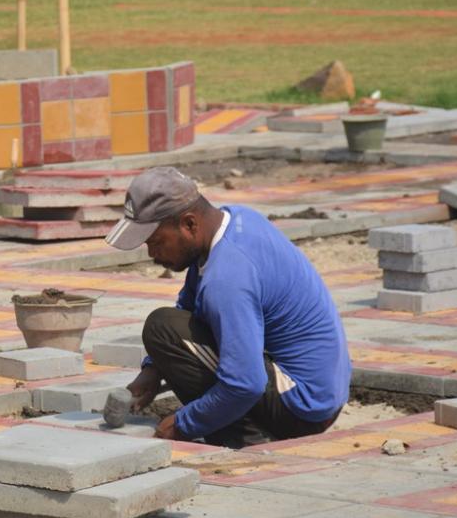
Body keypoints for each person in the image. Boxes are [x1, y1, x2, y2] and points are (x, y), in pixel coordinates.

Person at [105, 167, 350, 448]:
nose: (152, 255)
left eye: (157, 242)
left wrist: (184, 424)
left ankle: (247, 439)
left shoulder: (228, 279)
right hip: (322, 394)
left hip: (302, 407)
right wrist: (152, 370)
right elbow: (189, 305)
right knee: (169, 327)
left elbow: (246, 383)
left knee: (163, 330)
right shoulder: (234, 220)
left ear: (189, 224)